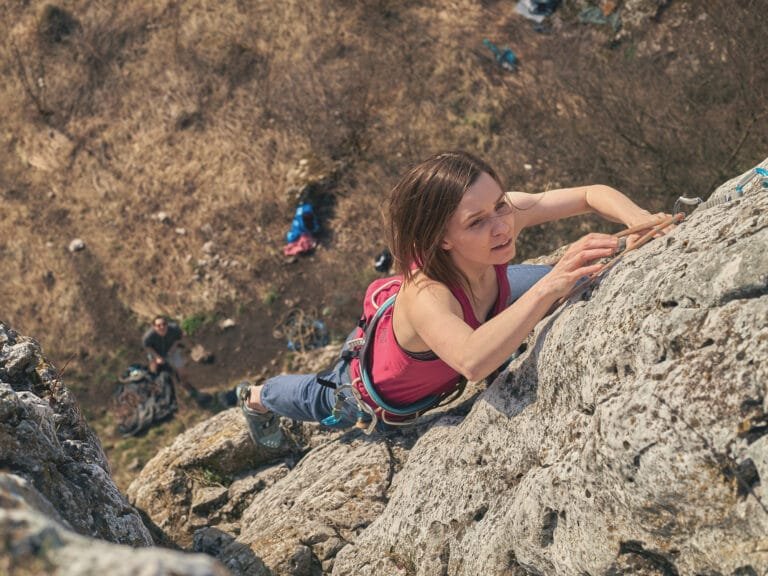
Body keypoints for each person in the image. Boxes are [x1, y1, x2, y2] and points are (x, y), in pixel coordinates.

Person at [237, 151, 666, 449]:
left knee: (579, 274)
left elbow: (591, 193)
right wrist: (551, 284)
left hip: (481, 297)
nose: (502, 227)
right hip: (366, 391)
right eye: (477, 222)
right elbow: (473, 360)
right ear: (441, 238)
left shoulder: (498, 218)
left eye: (500, 206)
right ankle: (255, 397)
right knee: (317, 396)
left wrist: (639, 219)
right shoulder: (427, 295)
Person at [143, 316, 211, 406]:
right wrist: (157, 357)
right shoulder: (148, 336)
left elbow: (180, 339)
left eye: (164, 324)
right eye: (159, 325)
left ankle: (186, 387)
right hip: (156, 352)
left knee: (182, 371)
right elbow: (148, 348)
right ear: (154, 327)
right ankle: (154, 387)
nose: (162, 327)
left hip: (172, 351)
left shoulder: (174, 329)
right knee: (153, 369)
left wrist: (173, 348)